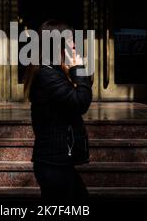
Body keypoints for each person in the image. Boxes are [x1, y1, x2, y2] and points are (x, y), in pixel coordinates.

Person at [24, 20, 93, 201]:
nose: (75, 45)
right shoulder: (47, 75)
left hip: (58, 162)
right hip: (53, 164)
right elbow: (81, 101)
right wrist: (78, 67)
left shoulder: (52, 71)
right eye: (71, 40)